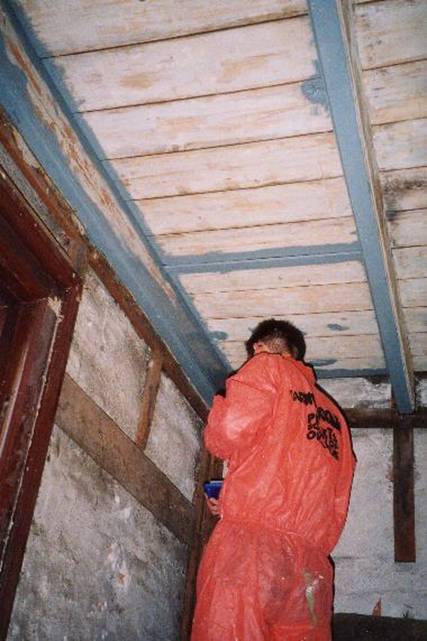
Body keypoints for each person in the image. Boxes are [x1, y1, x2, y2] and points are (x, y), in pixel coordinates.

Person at [191, 319, 356, 641]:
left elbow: (226, 436)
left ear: (259, 348)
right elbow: (335, 497)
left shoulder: (267, 367)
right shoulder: (335, 419)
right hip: (310, 570)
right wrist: (234, 499)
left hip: (251, 554)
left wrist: (223, 402)